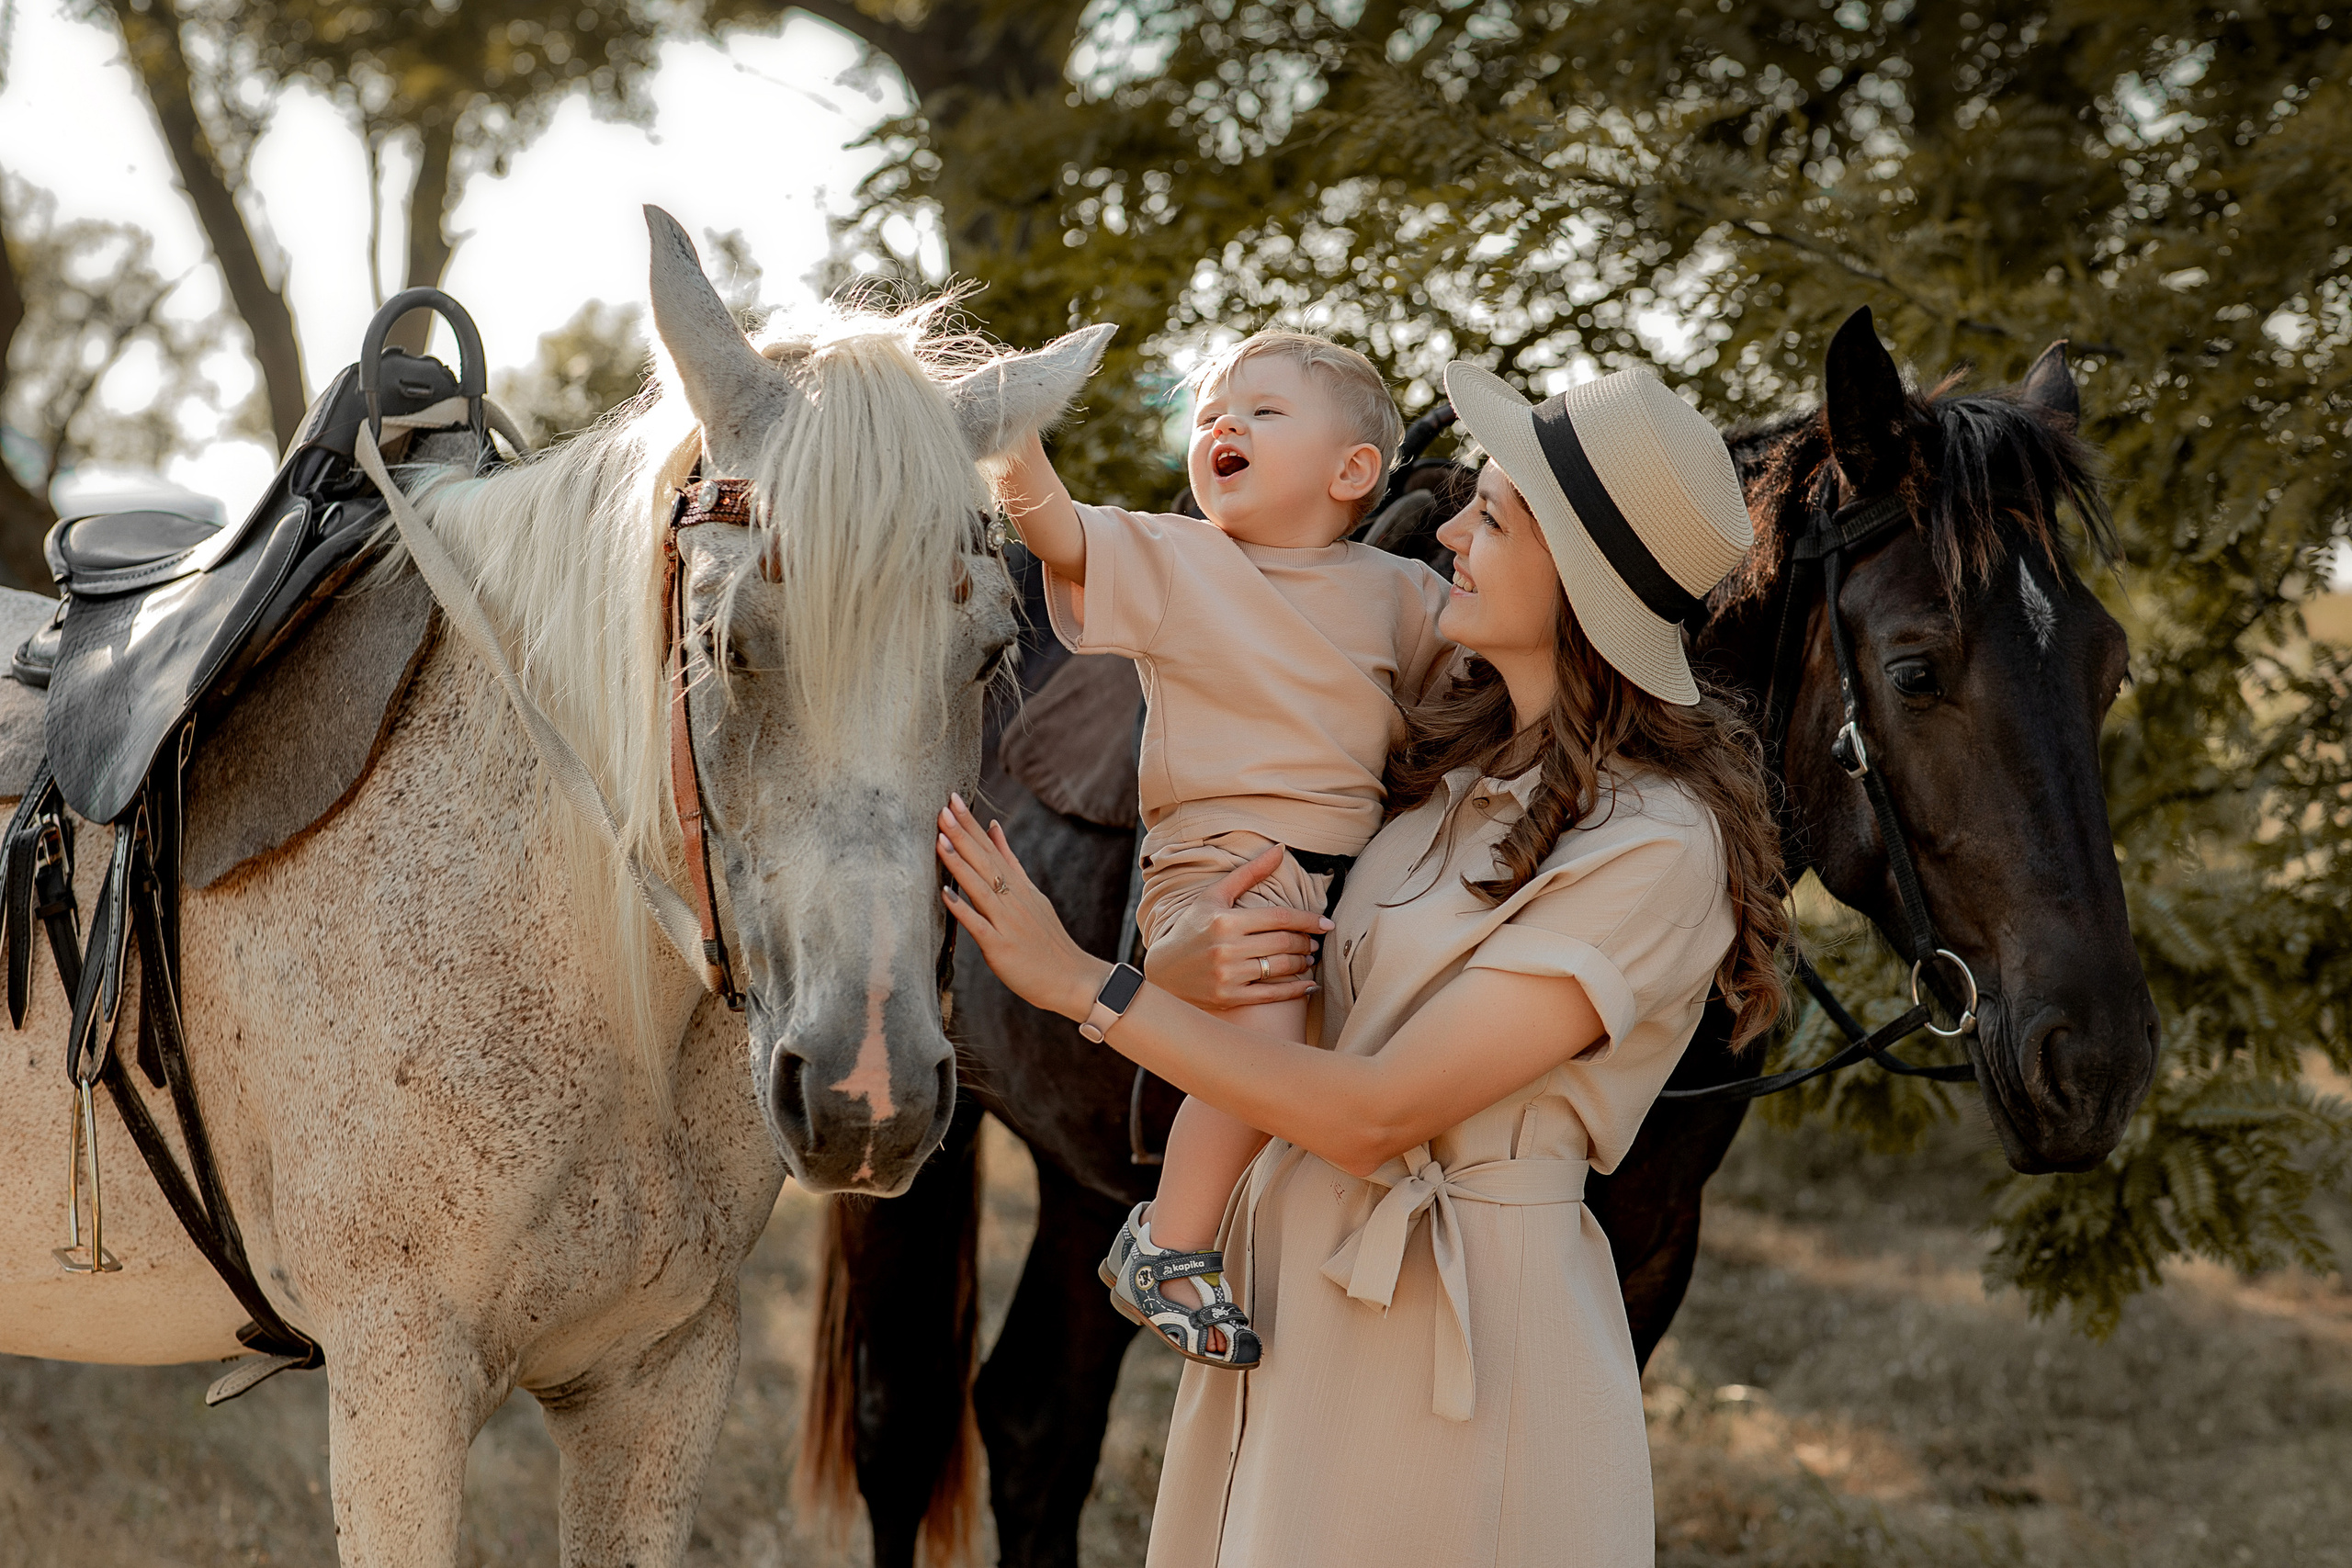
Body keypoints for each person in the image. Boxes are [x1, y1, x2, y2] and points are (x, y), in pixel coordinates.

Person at [940, 359, 1789, 1566]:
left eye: (1489, 515)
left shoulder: (1654, 843)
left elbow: (1380, 1107)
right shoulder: (1438, 778)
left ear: (1578, 582)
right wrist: (1181, 960)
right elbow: (1298, 989)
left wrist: (1081, 982)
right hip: (1289, 1305)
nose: (1447, 527)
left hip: (1460, 1347)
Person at [993, 330, 1453, 1367]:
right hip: (1220, 860)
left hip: (1347, 864)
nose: (1222, 428)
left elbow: (1464, 706)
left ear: (1352, 472)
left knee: (1343, 1043)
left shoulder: (1401, 591)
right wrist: (1012, 438)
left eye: (1261, 412)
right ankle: (1170, 1239)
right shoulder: (1177, 559)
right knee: (1266, 1036)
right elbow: (1061, 535)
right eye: (1208, 418)